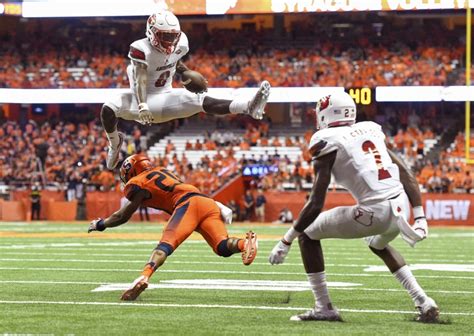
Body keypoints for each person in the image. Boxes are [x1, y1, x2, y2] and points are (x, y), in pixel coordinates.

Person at [268, 92, 439, 323]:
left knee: (307, 235)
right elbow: (405, 172)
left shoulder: (326, 139)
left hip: (376, 212)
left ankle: (324, 308)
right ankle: (424, 301)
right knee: (377, 244)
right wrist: (419, 216)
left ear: (327, 114)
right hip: (401, 207)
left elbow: (316, 202)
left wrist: (286, 240)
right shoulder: (370, 129)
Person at [102, 10, 271, 169]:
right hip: (140, 100)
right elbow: (141, 78)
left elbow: (173, 61)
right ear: (151, 33)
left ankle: (248, 107)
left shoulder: (181, 43)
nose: (169, 41)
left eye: (172, 36)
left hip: (166, 97)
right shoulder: (140, 48)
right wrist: (143, 105)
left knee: (201, 100)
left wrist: (186, 72)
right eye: (165, 36)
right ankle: (115, 143)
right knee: (108, 108)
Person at [88, 154, 258, 300]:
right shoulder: (163, 170)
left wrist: (101, 224)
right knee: (222, 246)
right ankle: (245, 244)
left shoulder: (140, 182)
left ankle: (143, 277)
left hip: (187, 205)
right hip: (207, 202)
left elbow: (122, 215)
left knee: (165, 245)